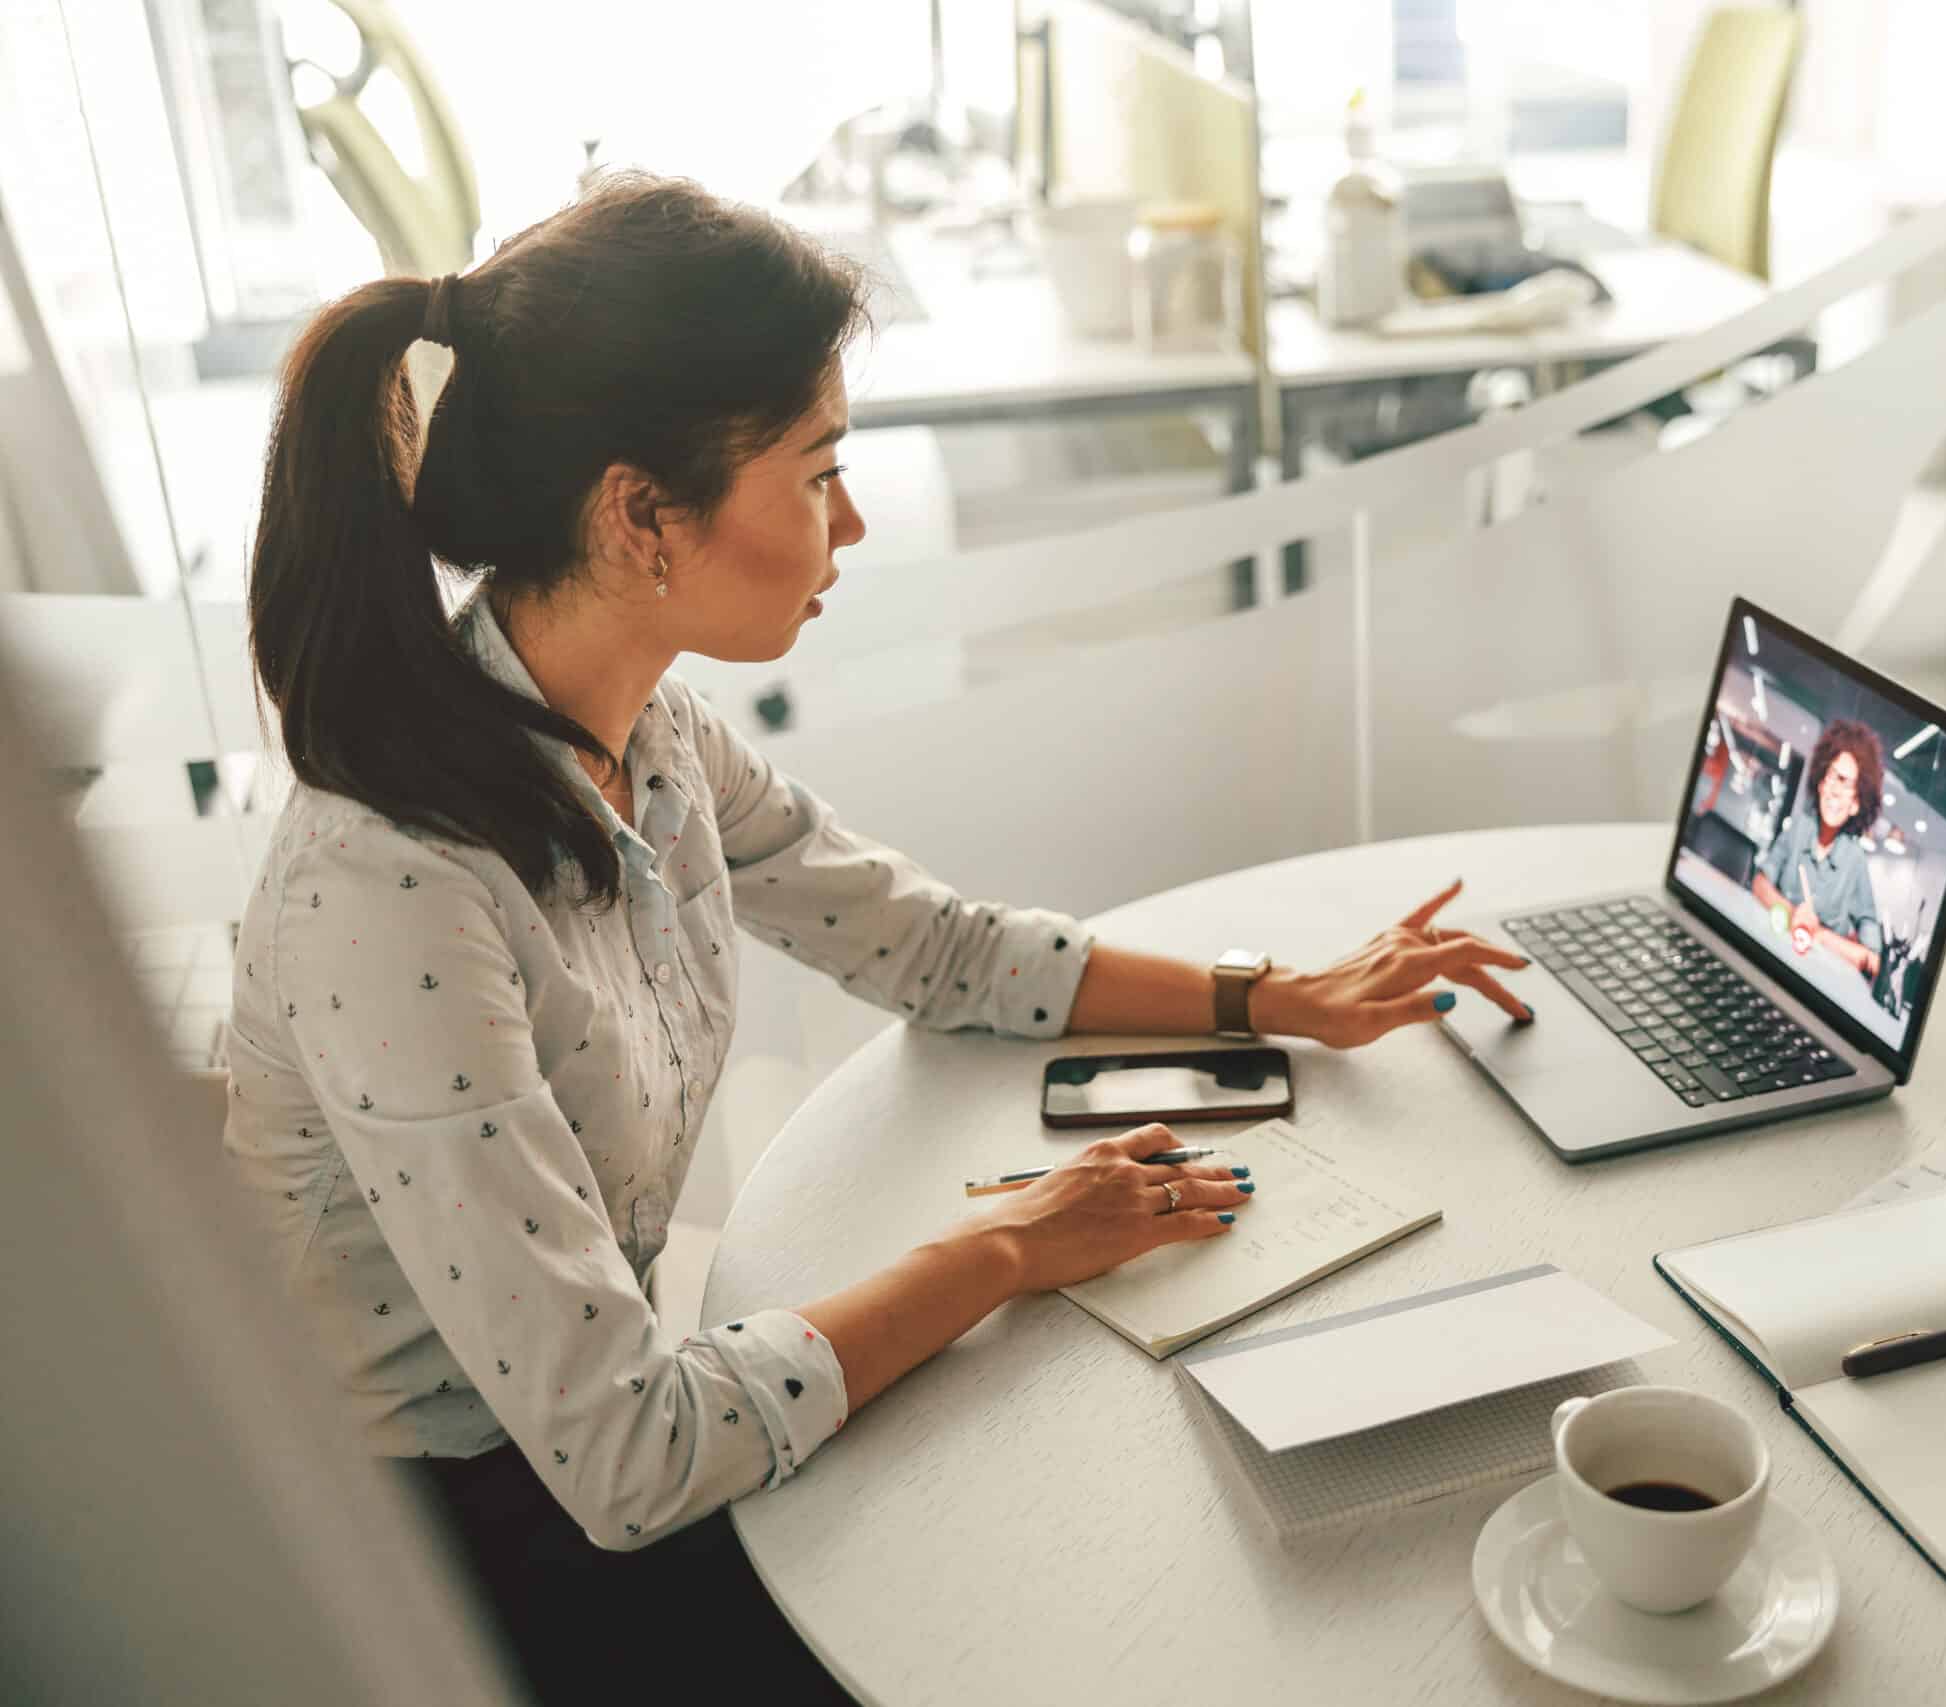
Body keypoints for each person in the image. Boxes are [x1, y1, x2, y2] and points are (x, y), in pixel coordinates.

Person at [220, 172, 1530, 1705]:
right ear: (645, 514)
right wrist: (1013, 1242)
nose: (850, 521)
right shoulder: (392, 894)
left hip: (589, 1415)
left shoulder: (647, 735)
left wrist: (1275, 995)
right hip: (419, 1549)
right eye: (818, 468)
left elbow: (938, 949)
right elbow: (627, 1451)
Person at [1748, 717, 1886, 979]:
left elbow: (1871, 959)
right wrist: (1793, 915)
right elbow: (1760, 883)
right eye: (1833, 777)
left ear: (1856, 804)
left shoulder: (1854, 861)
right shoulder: (1800, 827)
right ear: (1821, 784)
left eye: (1848, 786)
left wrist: (1818, 934)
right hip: (1770, 959)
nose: (1836, 791)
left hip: (1817, 980)